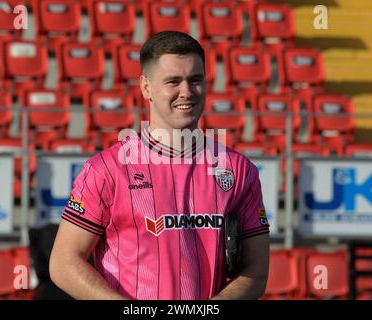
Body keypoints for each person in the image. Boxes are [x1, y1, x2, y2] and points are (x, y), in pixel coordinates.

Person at [49, 31, 270, 300]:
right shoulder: (106, 169)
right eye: (173, 81)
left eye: (196, 80)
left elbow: (256, 271)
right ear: (146, 88)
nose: (186, 92)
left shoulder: (239, 170)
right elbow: (63, 263)